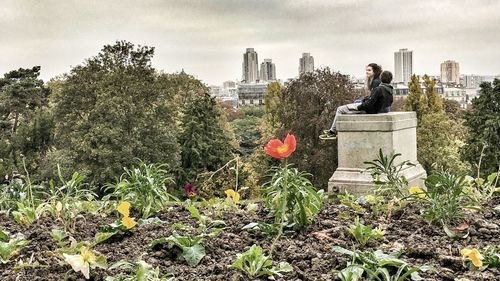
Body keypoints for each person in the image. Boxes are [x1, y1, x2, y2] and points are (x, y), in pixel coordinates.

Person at [320, 69, 393, 139]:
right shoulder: (390, 90)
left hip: (367, 109)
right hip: (375, 110)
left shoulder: (379, 89)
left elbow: (369, 104)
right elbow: (388, 102)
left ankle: (332, 132)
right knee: (354, 104)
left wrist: (359, 107)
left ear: (381, 78)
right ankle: (334, 129)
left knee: (340, 109)